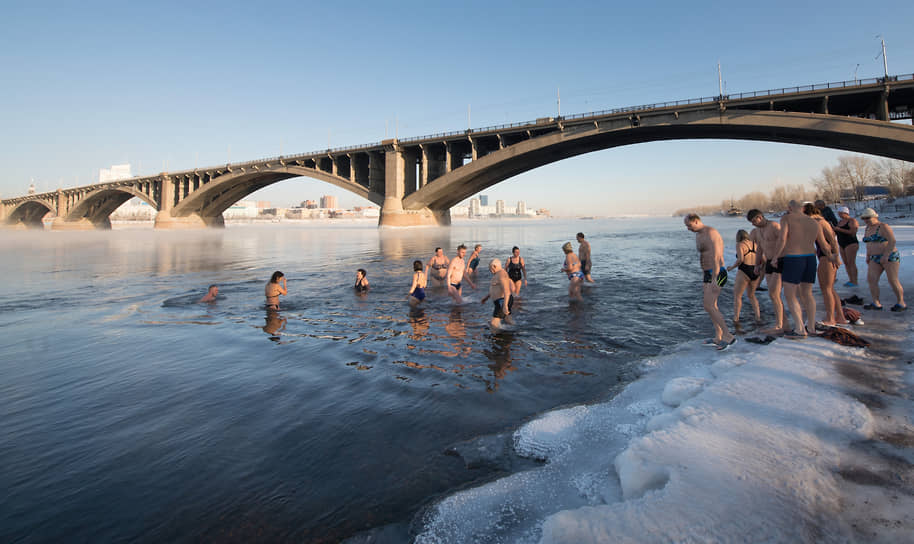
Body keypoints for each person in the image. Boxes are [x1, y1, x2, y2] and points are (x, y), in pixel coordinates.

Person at [773, 200, 835, 339]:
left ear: (789, 208)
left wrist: (775, 257)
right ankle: (811, 327)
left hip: (794, 258)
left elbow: (782, 240)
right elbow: (824, 245)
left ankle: (800, 329)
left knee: (790, 294)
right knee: (808, 293)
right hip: (810, 258)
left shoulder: (787, 218)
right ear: (802, 208)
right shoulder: (814, 222)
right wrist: (832, 257)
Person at [684, 214, 735, 350]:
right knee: (711, 306)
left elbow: (717, 256)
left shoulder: (711, 232)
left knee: (709, 305)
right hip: (707, 273)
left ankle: (728, 335)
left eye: (689, 225)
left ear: (696, 221)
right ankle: (718, 337)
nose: (688, 229)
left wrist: (714, 279)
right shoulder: (699, 235)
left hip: (716, 273)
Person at [803, 203, 846, 328]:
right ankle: (840, 317)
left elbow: (832, 241)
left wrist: (835, 256)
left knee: (826, 289)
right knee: (830, 288)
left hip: (827, 257)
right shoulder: (821, 221)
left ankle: (831, 318)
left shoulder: (818, 222)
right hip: (827, 256)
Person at [747, 209, 789, 334]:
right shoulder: (758, 231)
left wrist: (776, 257)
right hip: (770, 262)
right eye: (751, 222)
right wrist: (757, 264)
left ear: (760, 217)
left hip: (780, 260)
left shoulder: (774, 226)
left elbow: (784, 241)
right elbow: (760, 248)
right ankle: (784, 324)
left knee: (774, 294)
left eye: (754, 221)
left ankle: (779, 325)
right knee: (773, 295)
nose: (753, 224)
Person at [860, 208, 906, 311]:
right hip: (874, 257)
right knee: (871, 279)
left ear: (875, 217)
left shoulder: (883, 227)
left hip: (890, 256)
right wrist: (868, 255)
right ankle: (876, 303)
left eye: (868, 218)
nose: (866, 220)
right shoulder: (867, 228)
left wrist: (886, 255)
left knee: (893, 280)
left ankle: (901, 302)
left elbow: (892, 241)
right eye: (864, 218)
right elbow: (869, 243)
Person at [725, 230, 760, 325]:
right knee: (752, 295)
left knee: (737, 296)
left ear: (738, 237)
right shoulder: (755, 244)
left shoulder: (740, 245)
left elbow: (740, 259)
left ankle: (736, 319)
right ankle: (758, 317)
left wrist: (731, 267)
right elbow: (763, 259)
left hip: (744, 270)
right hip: (755, 271)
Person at [480, 258, 515, 329]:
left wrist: (505, 306)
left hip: (502, 301)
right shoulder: (497, 274)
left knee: (493, 324)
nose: (490, 270)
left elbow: (506, 290)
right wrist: (486, 297)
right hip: (501, 301)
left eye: (490, 268)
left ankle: (496, 339)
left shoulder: (502, 274)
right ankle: (515, 334)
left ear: (494, 266)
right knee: (508, 320)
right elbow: (496, 288)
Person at [833, 206, 859, 287]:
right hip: (842, 243)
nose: (839, 215)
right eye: (838, 213)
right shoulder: (840, 222)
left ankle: (854, 281)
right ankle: (850, 279)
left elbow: (853, 232)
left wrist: (839, 229)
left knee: (851, 263)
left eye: (840, 213)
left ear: (845, 213)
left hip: (851, 243)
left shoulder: (852, 221)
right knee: (846, 263)